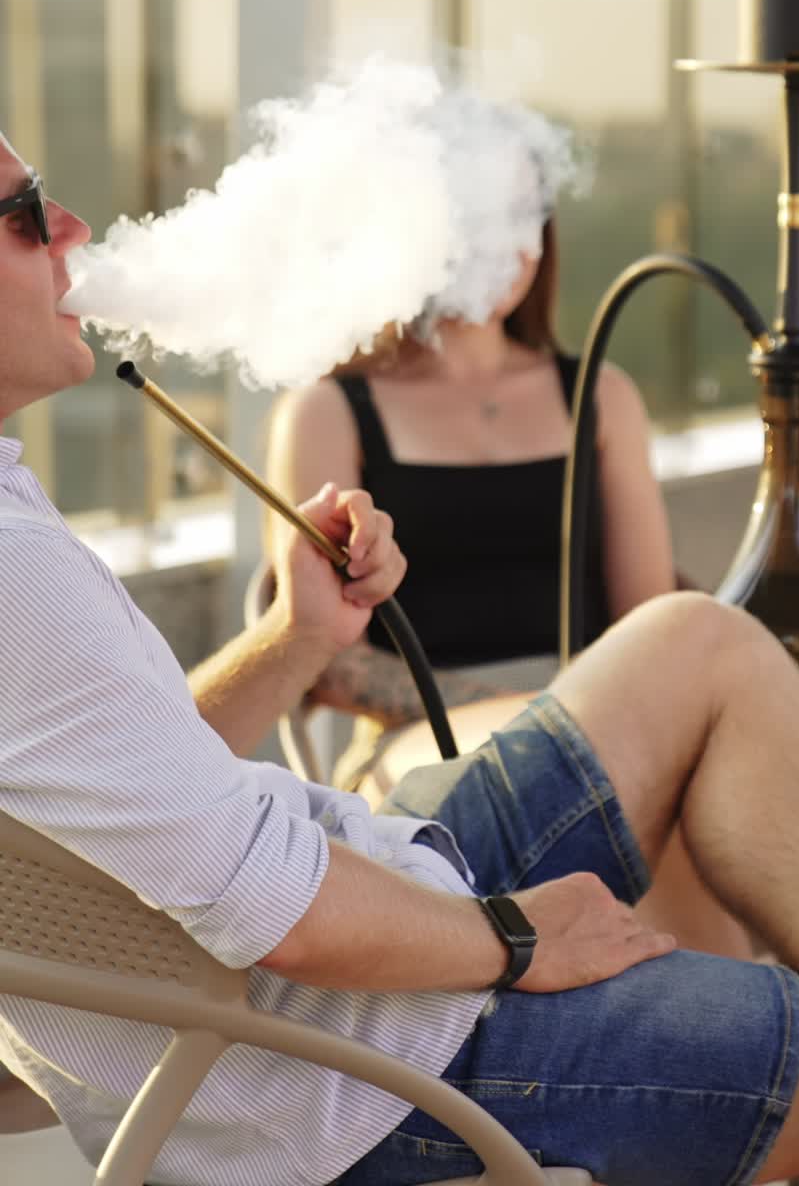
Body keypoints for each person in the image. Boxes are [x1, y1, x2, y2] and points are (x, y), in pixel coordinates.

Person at [0, 129, 799, 1186]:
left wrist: (291, 640)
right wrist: (515, 937)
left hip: (322, 937)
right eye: (17, 212)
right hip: (336, 1069)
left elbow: (130, 799)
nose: (68, 223)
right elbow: (276, 913)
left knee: (696, 640)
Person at [264, 90, 749, 959]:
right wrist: (537, 710)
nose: (514, 239)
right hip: (419, 746)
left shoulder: (599, 394)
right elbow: (322, 657)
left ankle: (728, 1041)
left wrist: (594, 710)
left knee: (696, 792)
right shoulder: (329, 409)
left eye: (527, 208)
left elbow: (649, 617)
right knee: (650, 791)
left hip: (604, 714)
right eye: (481, 211)